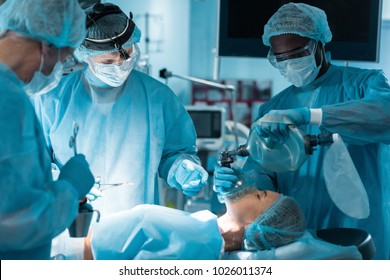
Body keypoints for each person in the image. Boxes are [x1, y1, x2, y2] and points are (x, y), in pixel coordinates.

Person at [213, 2, 390, 259]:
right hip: (297, 237)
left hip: (360, 228)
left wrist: (310, 116)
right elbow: (264, 174)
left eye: (297, 54)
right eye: (281, 58)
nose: (290, 63)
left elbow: (384, 116)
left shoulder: (365, 84)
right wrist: (240, 182)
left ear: (320, 43)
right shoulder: (272, 109)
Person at [32, 2, 208, 218]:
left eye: (126, 53)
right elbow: (35, 162)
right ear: (84, 54)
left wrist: (183, 169)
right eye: (108, 60)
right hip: (72, 218)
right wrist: (68, 184)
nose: (120, 63)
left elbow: (175, 151)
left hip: (137, 222)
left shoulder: (157, 96)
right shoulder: (54, 98)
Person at [0, 0, 95, 260]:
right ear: (47, 45)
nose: (58, 69)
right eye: (64, 58)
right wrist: (70, 187)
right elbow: (18, 223)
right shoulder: (8, 101)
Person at [81, 188, 305, 260]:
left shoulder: (195, 240)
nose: (250, 187)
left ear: (256, 223)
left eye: (259, 195)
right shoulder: (202, 232)